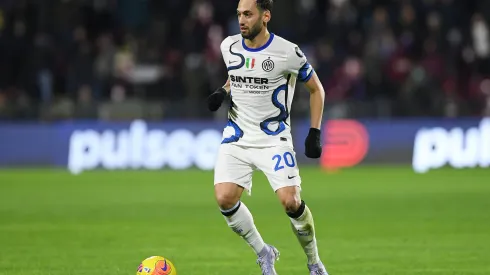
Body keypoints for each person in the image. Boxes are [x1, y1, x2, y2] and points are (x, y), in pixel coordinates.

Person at [207, 0, 328, 274]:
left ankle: (314, 263)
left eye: (248, 14)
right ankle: (264, 253)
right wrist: (223, 92)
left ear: (266, 16)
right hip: (237, 135)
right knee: (225, 198)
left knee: (291, 202)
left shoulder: (288, 52)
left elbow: (317, 89)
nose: (241, 20)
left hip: (273, 138)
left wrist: (314, 132)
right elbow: (237, 76)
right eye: (239, 14)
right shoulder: (229, 46)